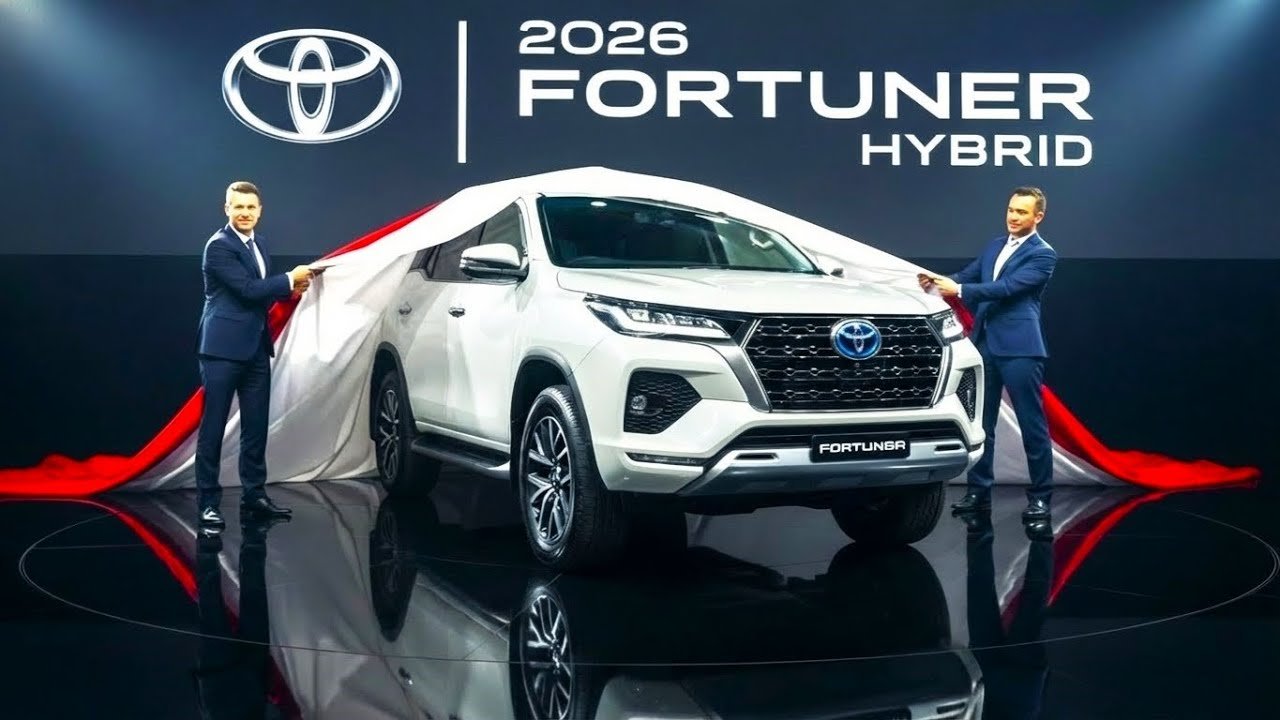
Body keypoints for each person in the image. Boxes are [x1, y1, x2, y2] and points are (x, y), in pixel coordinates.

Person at [918, 187, 1057, 523]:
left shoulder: (1043, 255)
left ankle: (1041, 498)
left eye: (1022, 212)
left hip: (1020, 347)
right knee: (982, 424)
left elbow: (1006, 289)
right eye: (1011, 210)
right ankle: (978, 492)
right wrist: (934, 284)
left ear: (1038, 216)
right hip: (984, 344)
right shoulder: (994, 245)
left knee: (1032, 425)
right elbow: (967, 276)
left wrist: (958, 289)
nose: (1013, 217)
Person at [195, 181, 313, 528]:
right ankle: (208, 504)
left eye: (250, 207)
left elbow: (260, 293)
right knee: (213, 428)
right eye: (238, 207)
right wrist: (289, 279)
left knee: (256, 427)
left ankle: (255, 496)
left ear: (259, 211)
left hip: (256, 348)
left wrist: (292, 288)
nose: (245, 213)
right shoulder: (218, 246)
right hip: (221, 350)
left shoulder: (259, 243)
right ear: (227, 209)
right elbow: (247, 290)